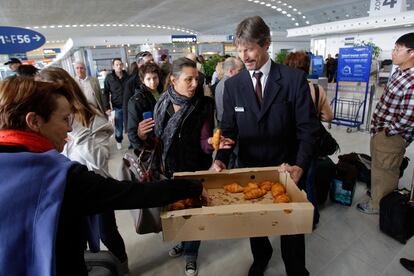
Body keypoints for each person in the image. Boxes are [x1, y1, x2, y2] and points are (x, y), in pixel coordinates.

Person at [0, 76, 205, 276]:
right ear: (34, 121)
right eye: (64, 119)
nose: (70, 127)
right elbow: (129, 193)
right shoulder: (59, 177)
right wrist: (190, 187)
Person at [212, 16, 319, 276]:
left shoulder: (293, 81)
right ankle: (261, 256)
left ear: (267, 43)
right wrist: (221, 157)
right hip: (250, 169)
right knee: (255, 224)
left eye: (249, 48)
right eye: (240, 49)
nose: (244, 56)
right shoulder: (233, 86)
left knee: (290, 228)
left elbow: (308, 130)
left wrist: (300, 166)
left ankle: (295, 268)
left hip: (288, 168)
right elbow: (228, 132)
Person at [37, 67, 130, 272]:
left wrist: (75, 128)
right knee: (77, 240)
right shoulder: (44, 120)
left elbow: (98, 161)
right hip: (62, 191)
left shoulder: (92, 117)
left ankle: (123, 269)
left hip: (95, 186)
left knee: (107, 233)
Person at [153, 57, 233, 276]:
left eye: (196, 79)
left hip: (194, 168)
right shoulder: (162, 103)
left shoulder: (203, 105)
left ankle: (191, 253)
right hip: (169, 169)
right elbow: (158, 137)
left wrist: (210, 144)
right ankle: (182, 241)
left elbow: (204, 140)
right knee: (177, 211)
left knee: (194, 211)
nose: (195, 84)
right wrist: (142, 134)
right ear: (173, 79)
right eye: (188, 79)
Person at [357, 33, 414, 214]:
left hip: (392, 136)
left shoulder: (412, 80)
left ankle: (378, 205)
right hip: (382, 132)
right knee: (380, 166)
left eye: (398, 49)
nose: (394, 52)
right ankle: (378, 194)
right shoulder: (400, 72)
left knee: (386, 171)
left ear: (412, 53)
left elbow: (409, 116)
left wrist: (388, 132)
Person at [284, 51, 334, 226]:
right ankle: (312, 219)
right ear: (307, 68)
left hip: (287, 142)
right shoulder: (316, 89)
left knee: (288, 180)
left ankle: (289, 215)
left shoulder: (283, 88)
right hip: (309, 142)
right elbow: (328, 116)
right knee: (309, 181)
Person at [127, 63, 162, 149]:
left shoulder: (164, 92)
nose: (152, 82)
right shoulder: (136, 101)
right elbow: (132, 133)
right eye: (148, 79)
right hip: (151, 144)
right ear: (143, 80)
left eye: (155, 78)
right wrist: (142, 147)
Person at [124, 52, 155, 144]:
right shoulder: (131, 83)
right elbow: (127, 105)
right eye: (149, 61)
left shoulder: (160, 80)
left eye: (152, 60)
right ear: (139, 64)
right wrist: (130, 131)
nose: (152, 63)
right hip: (141, 129)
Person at [103, 58, 129, 150]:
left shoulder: (127, 76)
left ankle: (132, 142)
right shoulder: (109, 78)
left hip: (128, 106)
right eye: (117, 65)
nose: (119, 66)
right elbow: (105, 93)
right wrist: (107, 107)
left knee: (130, 125)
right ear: (113, 66)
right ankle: (119, 140)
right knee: (119, 127)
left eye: (120, 64)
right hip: (117, 106)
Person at [215, 57, 244, 124]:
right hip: (229, 124)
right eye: (239, 70)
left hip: (223, 121)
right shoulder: (230, 85)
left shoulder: (220, 83)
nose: (242, 73)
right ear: (231, 71)